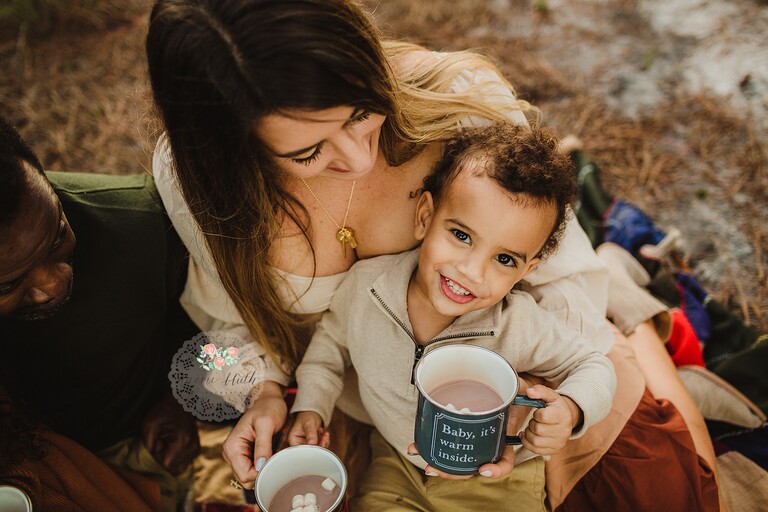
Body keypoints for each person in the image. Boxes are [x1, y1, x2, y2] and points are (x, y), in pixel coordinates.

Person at [145, 0, 721, 509]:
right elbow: (224, 329)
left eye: (359, 111)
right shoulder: (195, 187)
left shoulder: (460, 104)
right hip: (368, 413)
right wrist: (266, 392)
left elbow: (562, 279)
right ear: (228, 152)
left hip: (519, 374)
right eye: (309, 151)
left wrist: (547, 403)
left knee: (676, 493)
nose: (359, 157)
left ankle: (637, 318)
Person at [287, 124, 617, 510]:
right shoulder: (367, 288)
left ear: (526, 271)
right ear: (425, 217)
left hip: (496, 479)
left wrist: (571, 409)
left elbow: (593, 364)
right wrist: (311, 404)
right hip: (397, 463)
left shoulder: (517, 324)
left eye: (505, 259)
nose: (472, 272)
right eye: (461, 236)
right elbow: (331, 341)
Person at [0, 117, 200, 512]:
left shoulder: (144, 224)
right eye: (8, 284)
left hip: (143, 449)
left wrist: (181, 396)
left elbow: (205, 329)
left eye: (58, 235)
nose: (55, 284)